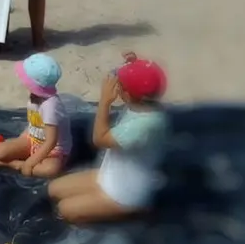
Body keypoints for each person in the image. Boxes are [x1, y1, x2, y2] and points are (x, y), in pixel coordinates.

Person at [48, 53, 169, 224]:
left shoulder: (144, 126)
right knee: (54, 189)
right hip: (111, 176)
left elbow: (99, 139)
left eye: (121, 85)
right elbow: (141, 81)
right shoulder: (143, 104)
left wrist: (105, 102)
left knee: (65, 209)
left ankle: (135, 211)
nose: (116, 86)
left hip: (125, 194)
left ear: (128, 95)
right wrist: (132, 64)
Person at [0, 54, 71, 177]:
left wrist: (29, 164)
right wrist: (21, 140)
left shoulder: (50, 107)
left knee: (50, 170)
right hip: (33, 140)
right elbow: (33, 124)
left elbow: (51, 142)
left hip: (53, 151)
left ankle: (15, 164)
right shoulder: (35, 98)